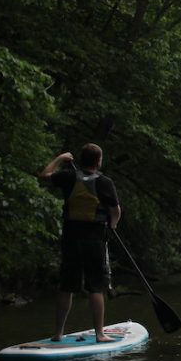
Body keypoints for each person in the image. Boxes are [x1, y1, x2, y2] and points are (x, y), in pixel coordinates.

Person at [40, 143, 121, 343]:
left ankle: (58, 333)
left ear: (82, 160)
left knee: (67, 286)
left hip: (71, 239)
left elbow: (45, 175)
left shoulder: (68, 176)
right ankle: (100, 334)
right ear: (98, 161)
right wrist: (113, 225)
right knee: (95, 286)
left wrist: (60, 158)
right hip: (94, 240)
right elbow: (115, 211)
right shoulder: (104, 182)